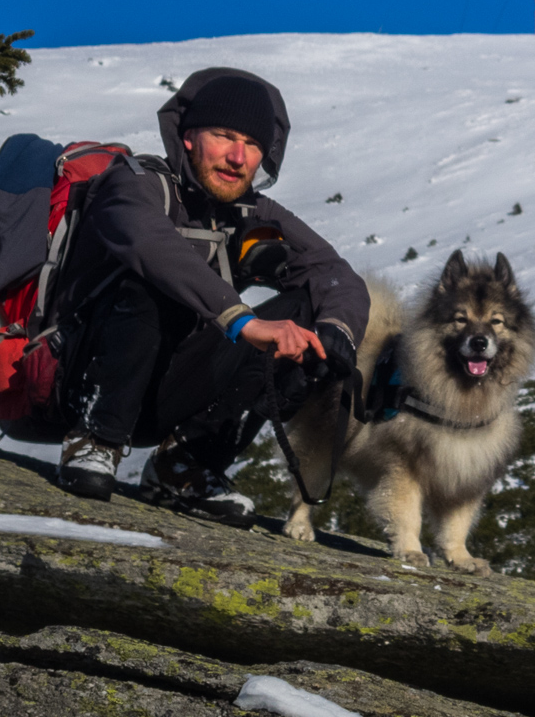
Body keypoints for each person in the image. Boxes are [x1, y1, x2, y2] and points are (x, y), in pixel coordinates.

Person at [50, 67, 369, 523]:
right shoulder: (135, 183)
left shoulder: (252, 213)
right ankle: (94, 441)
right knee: (153, 281)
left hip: (167, 388)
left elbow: (332, 272)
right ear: (187, 137)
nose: (238, 157)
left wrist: (335, 333)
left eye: (253, 145)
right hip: (83, 379)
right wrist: (243, 320)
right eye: (223, 136)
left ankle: (184, 465)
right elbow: (151, 246)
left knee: (301, 313)